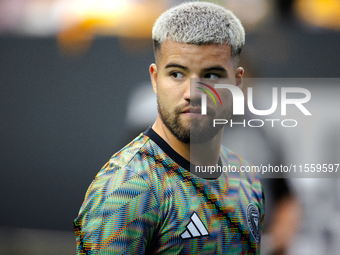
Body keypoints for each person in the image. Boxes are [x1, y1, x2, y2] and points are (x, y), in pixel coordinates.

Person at [74, 2, 264, 254]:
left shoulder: (246, 178)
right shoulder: (127, 187)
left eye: (212, 76)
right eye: (177, 74)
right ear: (155, 79)